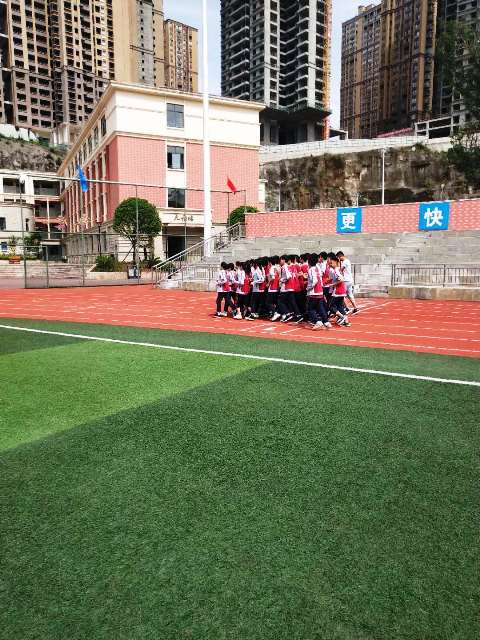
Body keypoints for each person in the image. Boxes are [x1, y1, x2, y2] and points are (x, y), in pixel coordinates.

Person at [306, 253, 332, 330]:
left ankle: (318, 322)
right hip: (320, 291)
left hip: (314, 292)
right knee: (320, 308)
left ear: (309, 261)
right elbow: (320, 279)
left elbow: (314, 281)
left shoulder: (311, 269)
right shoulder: (318, 268)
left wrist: (308, 288)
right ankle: (326, 322)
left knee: (310, 309)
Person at [329, 255, 351, 327]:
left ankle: (342, 317)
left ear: (336, 262)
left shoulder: (336, 270)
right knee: (340, 307)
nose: (330, 264)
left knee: (331, 306)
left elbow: (341, 279)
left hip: (338, 291)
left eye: (331, 263)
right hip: (342, 291)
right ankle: (346, 322)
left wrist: (332, 284)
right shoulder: (339, 269)